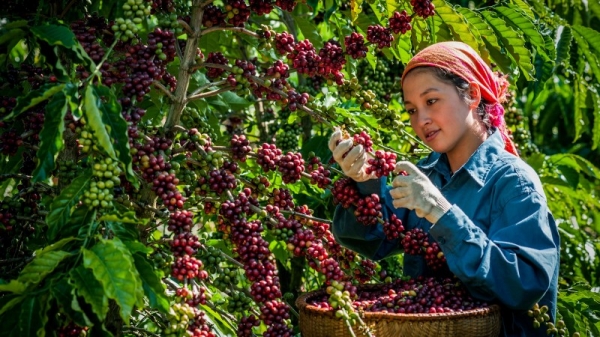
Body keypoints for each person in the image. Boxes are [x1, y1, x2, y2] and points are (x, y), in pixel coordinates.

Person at [328, 41, 560, 337]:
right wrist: (364, 181)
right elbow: (371, 240)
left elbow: (525, 283)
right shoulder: (427, 174)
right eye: (411, 110)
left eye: (432, 101)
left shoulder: (513, 182)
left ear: (473, 95)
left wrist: (440, 212)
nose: (421, 119)